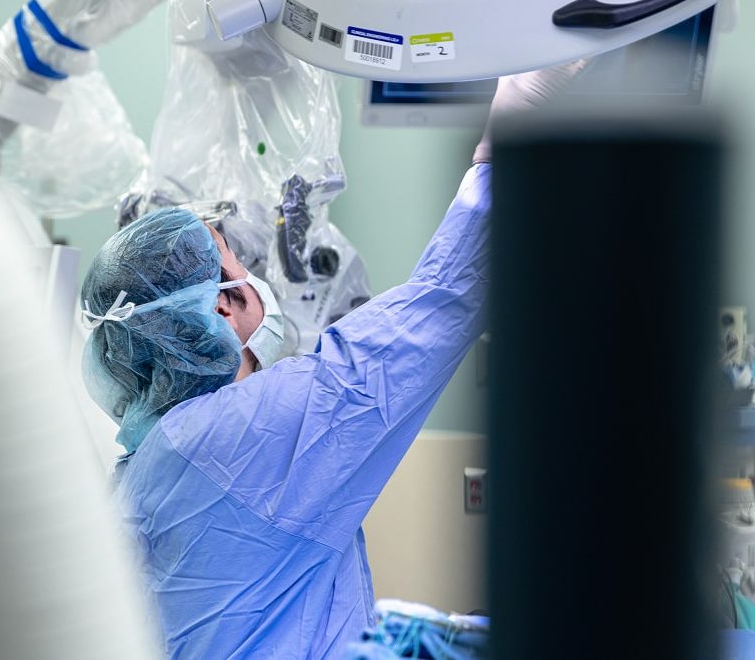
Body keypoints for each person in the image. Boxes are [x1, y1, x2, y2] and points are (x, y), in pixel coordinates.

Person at [79, 61, 587, 658]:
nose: (257, 275)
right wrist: (509, 144)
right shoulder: (236, 437)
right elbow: (436, 308)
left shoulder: (146, 466)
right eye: (240, 262)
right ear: (223, 306)